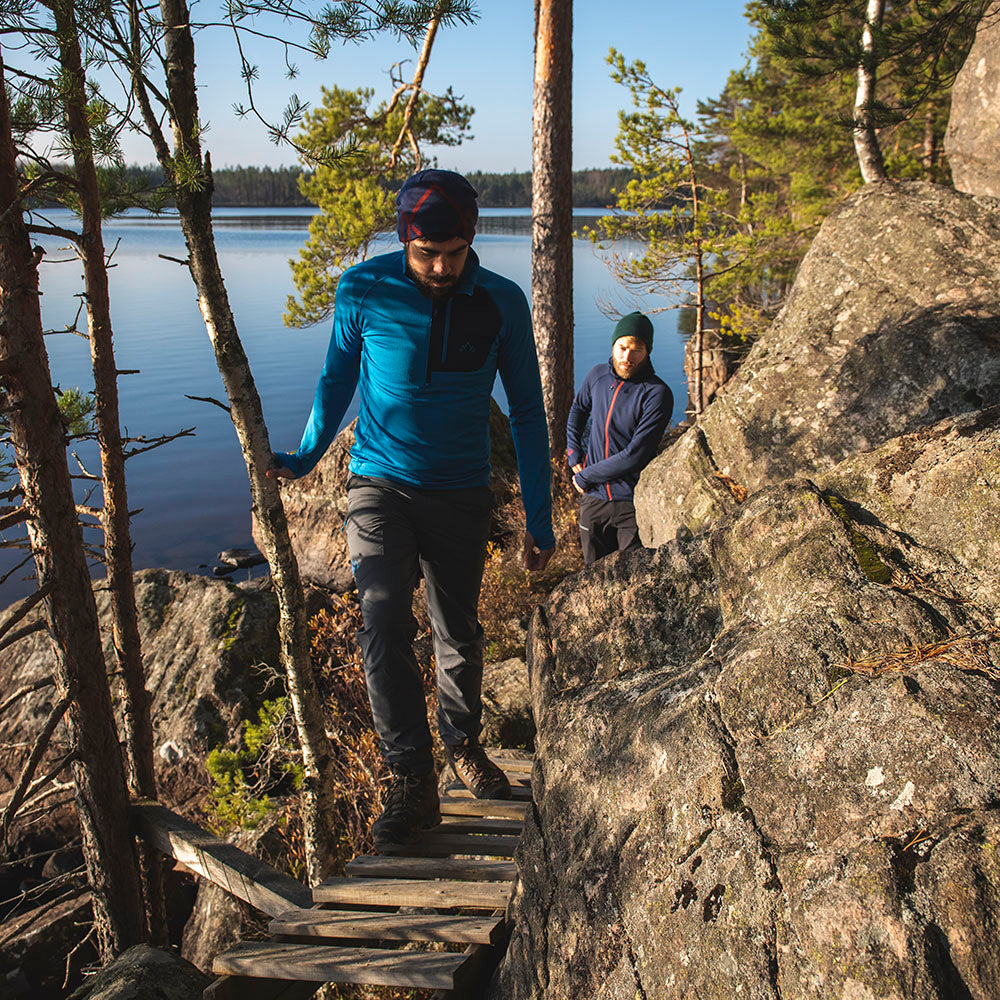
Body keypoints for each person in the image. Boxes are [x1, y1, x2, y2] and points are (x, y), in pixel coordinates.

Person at [268, 169, 555, 850]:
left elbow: (529, 413)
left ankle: (462, 745)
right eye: (427, 254)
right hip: (379, 484)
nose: (441, 267)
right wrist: (307, 456)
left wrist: (538, 521)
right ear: (404, 239)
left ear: (472, 240)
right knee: (383, 618)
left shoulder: (502, 303)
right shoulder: (363, 289)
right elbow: (336, 378)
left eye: (454, 253)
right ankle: (411, 778)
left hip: (460, 492)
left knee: (458, 630)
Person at [566, 312, 673, 565]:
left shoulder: (657, 394)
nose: (627, 357)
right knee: (592, 578)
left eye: (637, 349)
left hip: (632, 504)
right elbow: (578, 409)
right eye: (622, 347)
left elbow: (635, 455)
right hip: (594, 500)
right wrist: (573, 452)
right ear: (613, 345)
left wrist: (584, 476)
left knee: (632, 580)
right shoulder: (597, 376)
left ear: (647, 351)